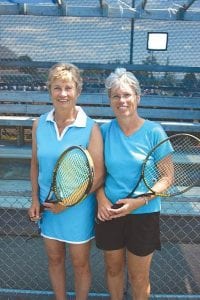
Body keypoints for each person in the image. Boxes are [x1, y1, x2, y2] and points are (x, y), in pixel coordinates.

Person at [95, 68, 173, 300]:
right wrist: (101, 200)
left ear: (138, 97)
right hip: (110, 212)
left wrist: (139, 202)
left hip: (144, 214)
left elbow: (167, 178)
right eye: (116, 96)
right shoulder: (104, 131)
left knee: (139, 278)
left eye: (127, 95)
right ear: (110, 100)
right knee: (113, 269)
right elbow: (97, 175)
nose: (122, 100)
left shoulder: (154, 132)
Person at [28, 62, 104, 300]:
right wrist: (34, 200)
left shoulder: (91, 128)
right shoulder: (39, 124)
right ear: (49, 90)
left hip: (78, 210)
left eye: (68, 88)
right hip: (48, 208)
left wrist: (67, 203)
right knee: (54, 259)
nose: (63, 94)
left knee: (80, 264)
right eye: (57, 87)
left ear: (78, 91)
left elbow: (99, 175)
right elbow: (35, 164)